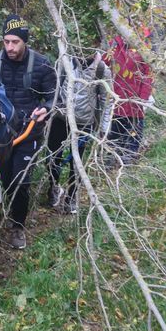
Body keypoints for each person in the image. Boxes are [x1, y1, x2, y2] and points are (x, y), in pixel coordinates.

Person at [0, 15, 56, 250]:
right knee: (7, 180)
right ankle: (10, 205)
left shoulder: (42, 64)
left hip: (28, 132)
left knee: (21, 181)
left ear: (24, 41)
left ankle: (18, 227)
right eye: (6, 42)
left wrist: (45, 109)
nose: (10, 47)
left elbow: (54, 95)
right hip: (1, 134)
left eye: (15, 42)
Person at [46, 51, 111, 214]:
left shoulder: (102, 70)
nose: (83, 50)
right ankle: (53, 187)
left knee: (78, 163)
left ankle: (71, 197)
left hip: (85, 123)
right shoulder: (65, 61)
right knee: (53, 156)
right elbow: (54, 89)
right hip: (61, 117)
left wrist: (103, 129)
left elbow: (106, 101)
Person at [103, 28, 154, 165]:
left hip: (135, 99)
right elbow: (105, 61)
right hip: (117, 98)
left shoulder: (143, 48)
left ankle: (129, 161)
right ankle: (110, 160)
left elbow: (148, 77)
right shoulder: (115, 44)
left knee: (134, 131)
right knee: (115, 131)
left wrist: (142, 99)